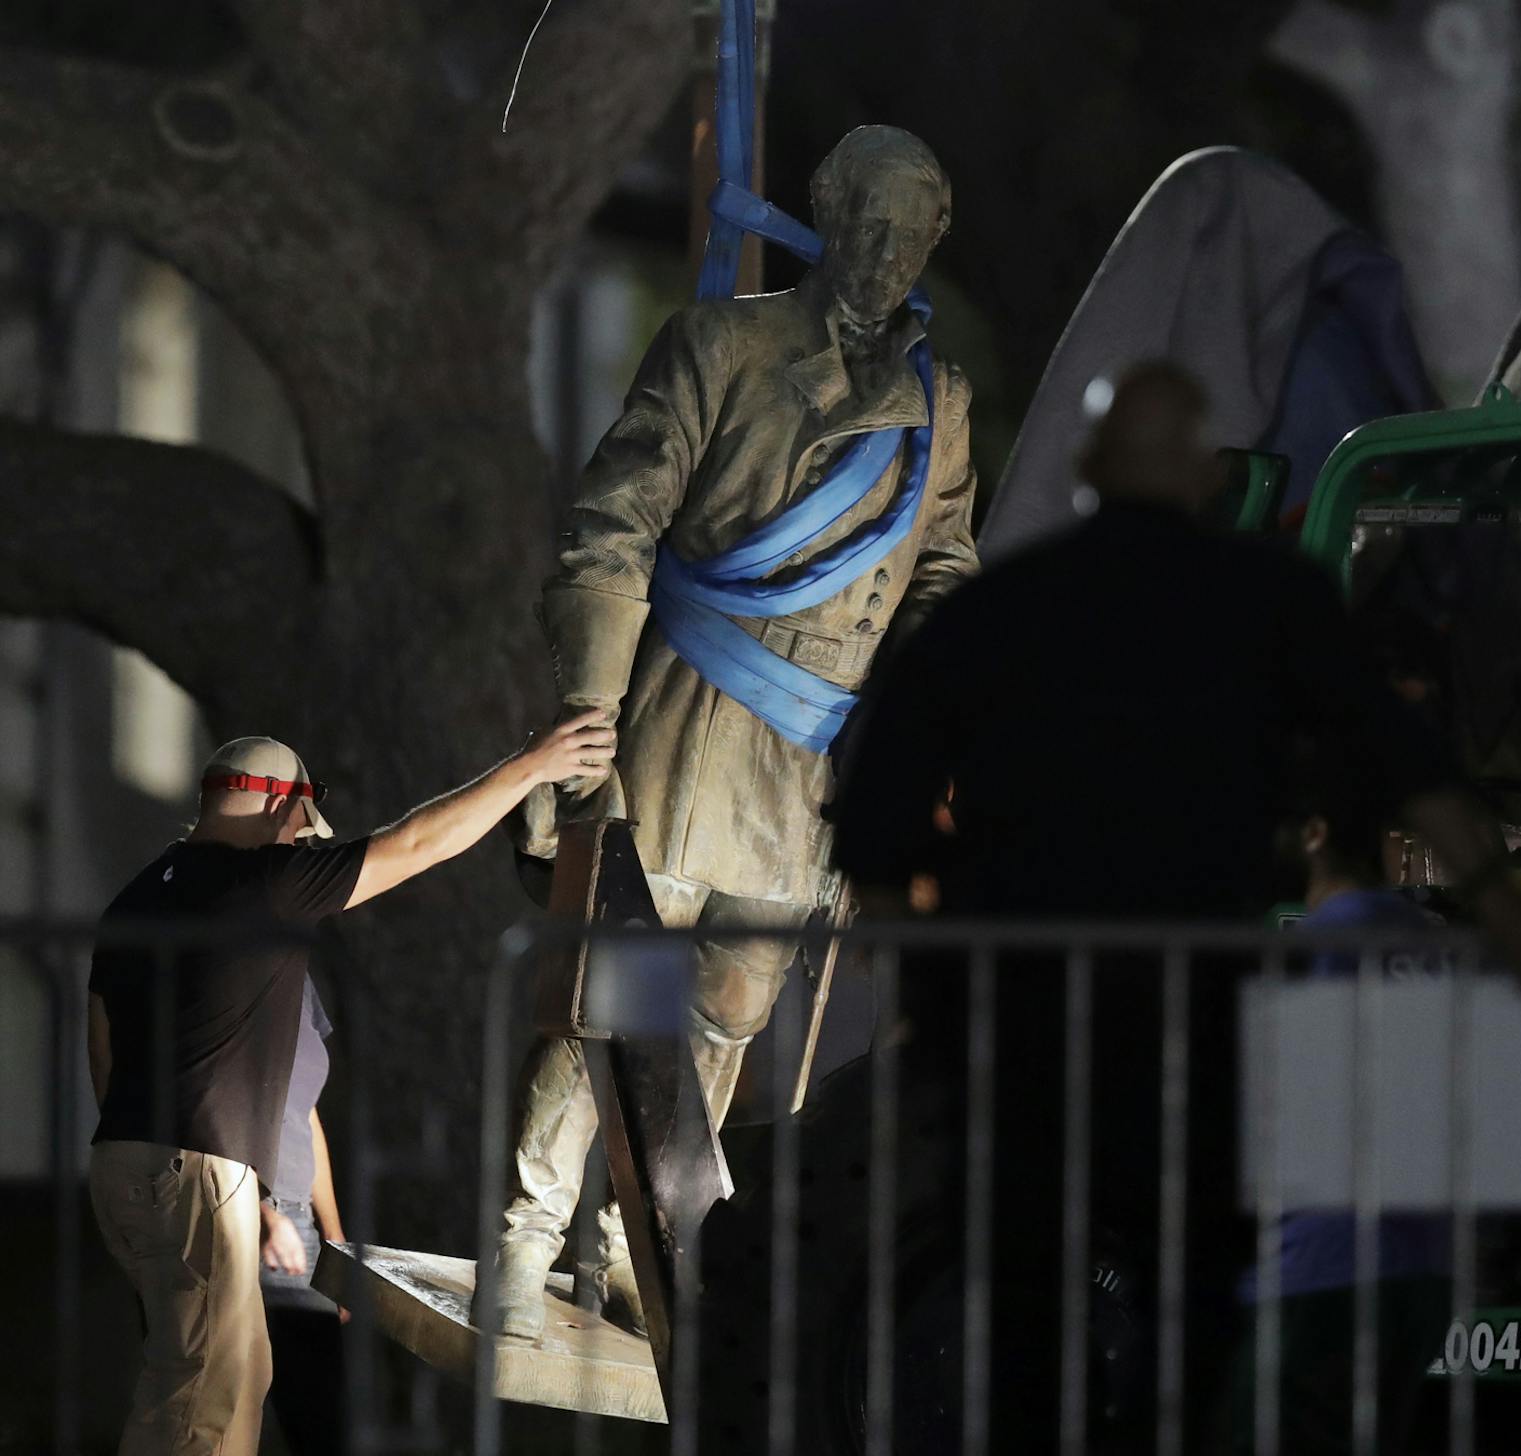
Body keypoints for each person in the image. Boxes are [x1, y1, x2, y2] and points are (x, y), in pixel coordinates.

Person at [826, 362, 1521, 1444]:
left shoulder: (999, 612)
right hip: (1189, 1027)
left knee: (1011, 1301)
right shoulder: (1266, 601)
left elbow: (873, 814)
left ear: (1088, 471)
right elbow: (1409, 759)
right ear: (1200, 474)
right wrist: (1509, 907)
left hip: (1023, 1028)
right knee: (1188, 1317)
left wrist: (924, 974)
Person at [497, 123, 981, 1338]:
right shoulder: (724, 343)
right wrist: (585, 722)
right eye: (863, 220)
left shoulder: (944, 404)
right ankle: (525, 1231)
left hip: (807, 767)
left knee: (728, 1016)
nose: (882, 249)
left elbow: (941, 584)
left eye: (907, 229)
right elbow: (613, 524)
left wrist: (919, 761)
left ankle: (638, 1241)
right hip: (682, 718)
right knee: (619, 986)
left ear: (936, 240)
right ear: (824, 215)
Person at [86, 718, 614, 1456]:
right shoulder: (266, 883)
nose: (301, 846)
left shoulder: (136, 899)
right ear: (281, 806)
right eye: (301, 830)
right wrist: (531, 767)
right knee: (200, 1407)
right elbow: (416, 842)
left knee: (213, 1382)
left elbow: (102, 1046)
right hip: (198, 1173)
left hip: (121, 1168)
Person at [1210, 743, 1455, 1455]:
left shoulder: (1320, 945)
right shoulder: (1429, 944)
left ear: (1314, 834)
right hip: (1421, 1275)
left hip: (1322, 1272)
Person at [256, 973, 346, 1455]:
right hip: (235, 1212)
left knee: (318, 1413)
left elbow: (307, 1115)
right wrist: (264, 1215)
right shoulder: (223, 966)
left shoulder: (301, 979)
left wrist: (335, 1245)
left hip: (298, 1226)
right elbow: (204, 1105)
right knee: (216, 1407)